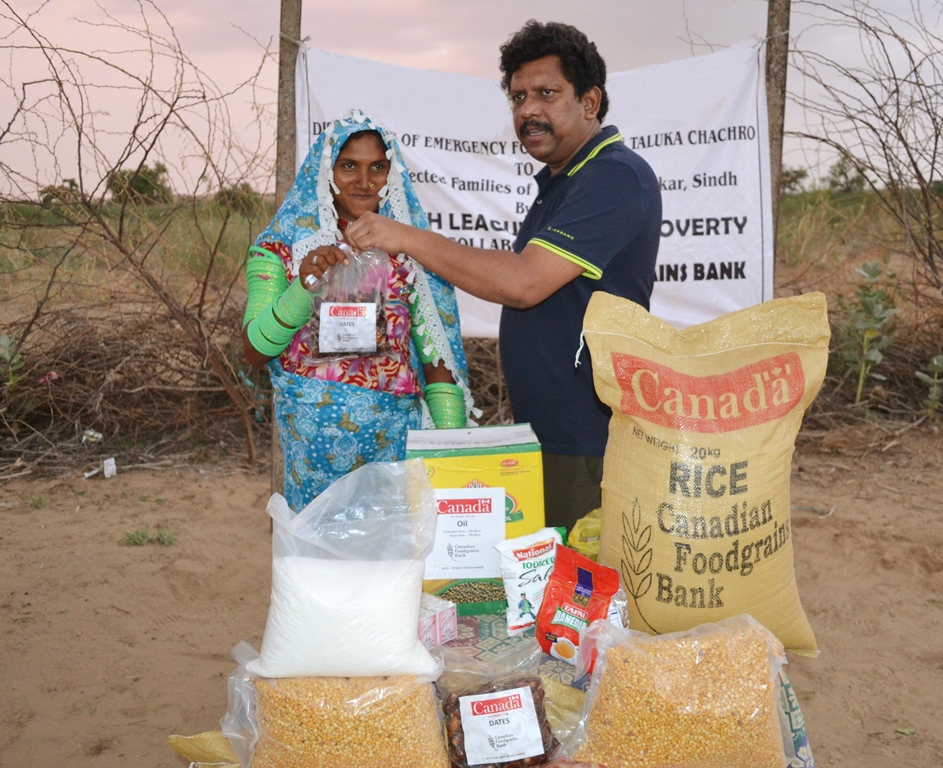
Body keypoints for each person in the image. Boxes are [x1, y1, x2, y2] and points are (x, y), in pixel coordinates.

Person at [342, 22, 662, 531]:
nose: (528, 109)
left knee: (583, 575)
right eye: (518, 97)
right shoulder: (563, 180)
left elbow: (522, 283)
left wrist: (404, 237)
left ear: (590, 101)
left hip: (588, 441)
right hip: (550, 435)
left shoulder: (614, 176)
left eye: (547, 93)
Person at [242, 110, 473, 511]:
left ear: (392, 174)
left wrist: (451, 461)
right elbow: (254, 351)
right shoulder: (280, 249)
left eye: (377, 167)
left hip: (393, 455)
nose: (364, 181)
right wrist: (303, 288)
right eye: (348, 166)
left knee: (396, 551)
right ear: (325, 171)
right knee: (316, 552)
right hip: (311, 462)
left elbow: (438, 365)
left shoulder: (412, 253)